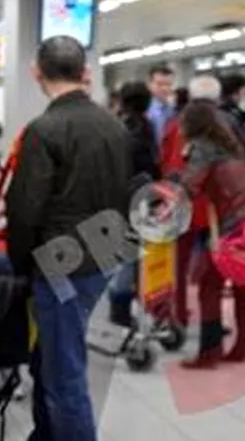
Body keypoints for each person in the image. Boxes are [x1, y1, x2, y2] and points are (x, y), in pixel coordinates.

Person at [4, 36, 131, 441]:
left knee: (64, 373)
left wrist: (22, 264)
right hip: (106, 251)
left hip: (61, 261)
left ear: (36, 73)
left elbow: (25, 208)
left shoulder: (44, 129)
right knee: (53, 355)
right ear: (85, 73)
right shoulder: (115, 125)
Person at [173, 99, 245, 368]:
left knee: (209, 286)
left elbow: (188, 186)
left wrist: (170, 185)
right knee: (244, 285)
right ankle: (243, 347)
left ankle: (209, 354)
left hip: (228, 227)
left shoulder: (203, 148)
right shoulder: (232, 144)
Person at [108, 81, 161, 328]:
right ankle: (121, 309)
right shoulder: (142, 128)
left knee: (123, 255)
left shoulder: (115, 123)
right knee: (131, 257)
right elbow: (150, 165)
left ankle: (119, 305)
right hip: (138, 198)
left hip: (117, 197)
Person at [146, 64, 177, 148]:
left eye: (169, 84)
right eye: (159, 84)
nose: (165, 88)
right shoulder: (146, 111)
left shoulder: (175, 109)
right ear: (149, 85)